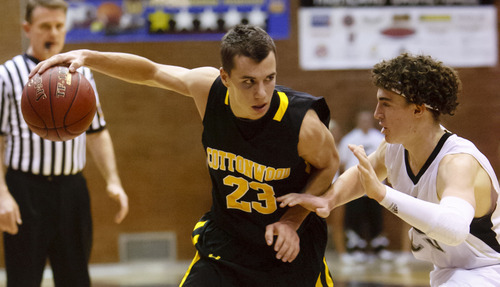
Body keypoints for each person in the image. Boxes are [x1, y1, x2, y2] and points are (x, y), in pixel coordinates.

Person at [31, 24, 339, 286]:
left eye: (268, 78)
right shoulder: (209, 91)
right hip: (228, 245)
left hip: (289, 251)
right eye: (248, 81)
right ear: (225, 77)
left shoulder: (301, 125)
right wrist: (88, 57)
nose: (261, 93)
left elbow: (329, 166)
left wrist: (292, 219)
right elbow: (150, 71)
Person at [278, 53, 500, 286]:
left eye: (386, 103)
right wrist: (329, 200)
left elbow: (454, 229)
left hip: (487, 272)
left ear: (418, 109)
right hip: (450, 272)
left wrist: (382, 194)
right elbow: (362, 175)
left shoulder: (458, 162)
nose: (376, 114)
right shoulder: (394, 150)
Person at [0, 1, 129, 286]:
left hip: (72, 191)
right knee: (22, 279)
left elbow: (97, 132)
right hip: (25, 190)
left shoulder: (82, 74)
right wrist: (2, 193)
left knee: (75, 279)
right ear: (27, 28)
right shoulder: (7, 75)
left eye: (59, 26)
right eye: (45, 26)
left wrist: (113, 181)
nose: (54, 33)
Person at [336, 110, 389, 263]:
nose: (365, 123)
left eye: (367, 120)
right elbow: (343, 163)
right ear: (357, 121)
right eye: (362, 120)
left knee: (375, 218)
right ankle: (355, 249)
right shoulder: (350, 139)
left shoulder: (380, 138)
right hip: (355, 188)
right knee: (354, 218)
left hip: (377, 186)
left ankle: (379, 249)